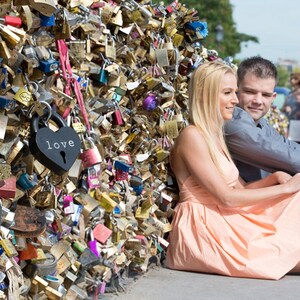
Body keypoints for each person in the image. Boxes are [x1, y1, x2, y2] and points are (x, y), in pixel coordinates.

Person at [166, 60, 300, 280]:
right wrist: (287, 189)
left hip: (224, 219)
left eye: (235, 92)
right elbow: (227, 198)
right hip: (203, 229)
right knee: (286, 248)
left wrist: (275, 178)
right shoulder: (192, 135)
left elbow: (243, 188)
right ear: (204, 94)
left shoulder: (213, 136)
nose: (235, 100)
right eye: (228, 93)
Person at [224, 57, 300, 182]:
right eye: (250, 92)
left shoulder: (261, 123)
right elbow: (292, 160)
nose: (258, 101)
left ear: (273, 97)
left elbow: (288, 147)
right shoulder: (234, 124)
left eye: (265, 95)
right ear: (236, 91)